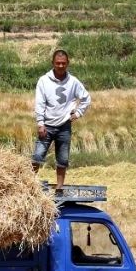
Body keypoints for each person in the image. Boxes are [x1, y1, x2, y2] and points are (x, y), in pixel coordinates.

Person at [32, 48, 91, 192]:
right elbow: (40, 103)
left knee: (63, 159)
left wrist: (78, 113)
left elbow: (86, 98)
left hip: (64, 126)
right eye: (58, 63)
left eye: (63, 63)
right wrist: (40, 123)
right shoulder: (44, 81)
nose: (60, 66)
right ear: (53, 63)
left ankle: (59, 188)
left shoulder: (73, 82)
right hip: (47, 125)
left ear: (67, 64)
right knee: (38, 156)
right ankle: (29, 183)